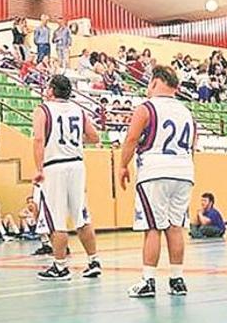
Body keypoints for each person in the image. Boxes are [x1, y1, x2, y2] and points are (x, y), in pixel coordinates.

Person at [119, 65, 196, 298]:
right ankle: (177, 279)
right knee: (176, 227)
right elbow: (193, 146)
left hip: (155, 170)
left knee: (152, 227)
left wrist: (122, 165)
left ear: (154, 82)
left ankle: (148, 280)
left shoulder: (146, 108)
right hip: (184, 171)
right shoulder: (186, 111)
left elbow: (132, 138)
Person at [33, 75, 102, 281]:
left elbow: (38, 139)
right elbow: (94, 137)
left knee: (56, 220)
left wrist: (38, 168)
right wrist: (72, 142)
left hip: (55, 166)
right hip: (77, 164)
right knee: (82, 216)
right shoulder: (78, 110)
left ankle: (60, 266)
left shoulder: (43, 109)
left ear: (52, 90)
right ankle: (93, 261)